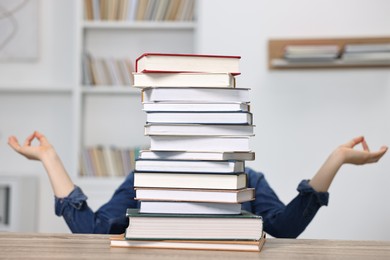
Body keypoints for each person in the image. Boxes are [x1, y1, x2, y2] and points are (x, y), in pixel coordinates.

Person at [8, 131, 388, 238]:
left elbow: (284, 228)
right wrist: (50, 159)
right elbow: (93, 230)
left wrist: (335, 160)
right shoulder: (146, 178)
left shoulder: (249, 180)